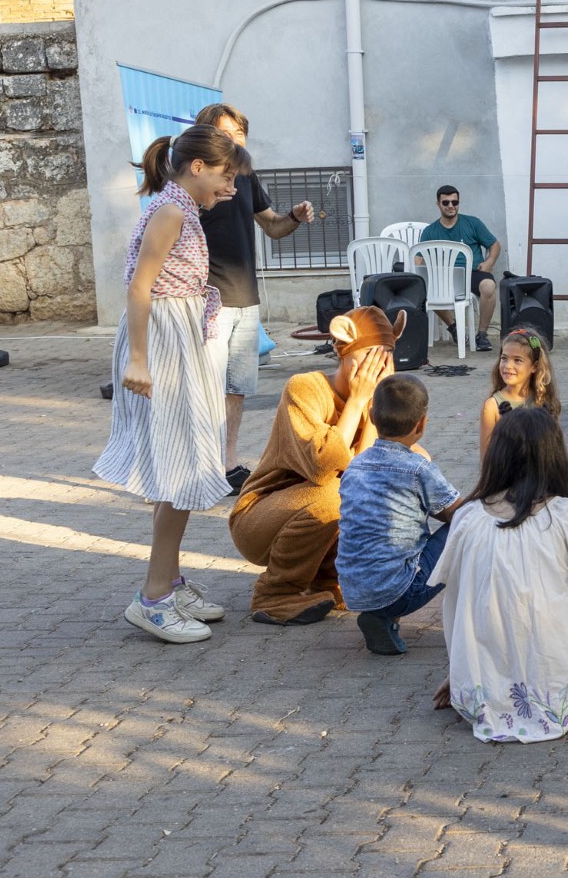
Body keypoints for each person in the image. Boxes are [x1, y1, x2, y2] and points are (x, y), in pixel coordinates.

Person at [95, 126, 248, 643]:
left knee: (182, 464)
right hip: (162, 343)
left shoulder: (181, 204)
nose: (227, 187)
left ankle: (169, 582)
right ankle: (154, 597)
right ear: (198, 167)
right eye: (224, 177)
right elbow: (139, 288)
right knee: (178, 466)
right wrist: (137, 360)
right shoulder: (171, 210)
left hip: (177, 337)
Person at [430, 407, 568, 742]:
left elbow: (457, 603)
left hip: (477, 696)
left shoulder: (467, 517)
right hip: (556, 694)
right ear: (554, 458)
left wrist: (461, 672)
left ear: (496, 457)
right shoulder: (565, 515)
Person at [229, 306, 396, 625]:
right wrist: (359, 401)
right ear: (344, 353)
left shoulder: (376, 400)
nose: (378, 368)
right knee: (338, 493)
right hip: (259, 519)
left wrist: (374, 409)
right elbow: (323, 465)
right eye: (370, 356)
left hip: (311, 507)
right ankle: (275, 595)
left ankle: (328, 580)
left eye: (386, 358)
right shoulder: (304, 387)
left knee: (370, 490)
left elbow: (366, 474)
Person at [194, 104, 315, 490]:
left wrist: (293, 216)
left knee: (236, 388)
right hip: (207, 300)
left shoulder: (245, 174)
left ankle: (228, 466)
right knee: (203, 388)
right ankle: (196, 467)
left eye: (239, 134)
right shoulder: (193, 182)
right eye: (225, 133)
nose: (234, 140)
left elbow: (272, 226)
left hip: (245, 298)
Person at [337, 374, 462, 657]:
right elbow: (457, 513)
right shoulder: (418, 469)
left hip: (353, 589)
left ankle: (382, 617)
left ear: (371, 416)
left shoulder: (355, 466)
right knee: (464, 528)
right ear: (421, 424)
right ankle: (474, 618)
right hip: (401, 591)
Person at [420, 185, 501, 352]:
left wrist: (489, 262)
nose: (451, 206)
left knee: (489, 286)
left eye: (454, 202)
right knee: (425, 287)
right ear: (438, 204)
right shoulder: (429, 231)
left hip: (473, 272)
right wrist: (419, 271)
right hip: (444, 275)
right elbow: (418, 259)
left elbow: (494, 244)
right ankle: (454, 328)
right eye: (446, 202)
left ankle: (482, 334)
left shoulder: (472, 223)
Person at [478, 327, 561, 457]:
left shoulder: (543, 401)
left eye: (517, 360)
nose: (508, 366)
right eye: (504, 358)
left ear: (534, 366)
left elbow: (553, 453)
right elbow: (486, 459)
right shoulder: (492, 406)